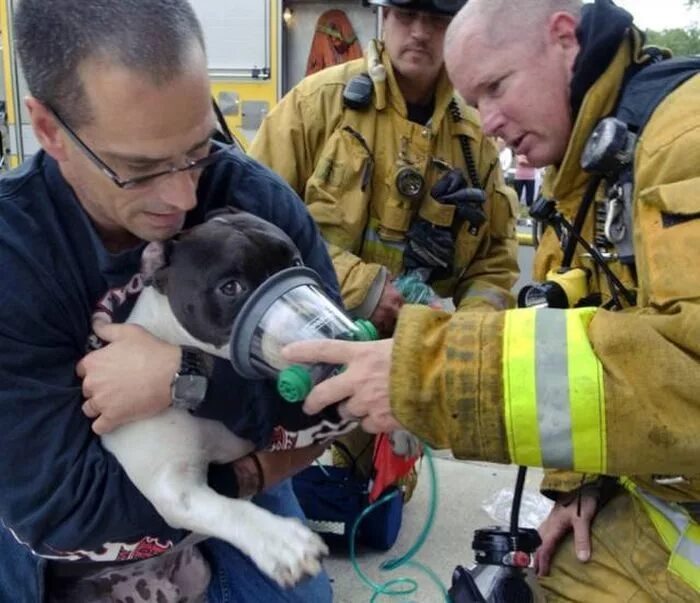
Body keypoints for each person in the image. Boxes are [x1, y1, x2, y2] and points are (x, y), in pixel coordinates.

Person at [282, 0, 700, 600]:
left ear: (562, 38)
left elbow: (681, 365)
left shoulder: (681, 142)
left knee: (380, 524)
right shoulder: (583, 170)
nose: (492, 124)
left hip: (670, 514)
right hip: (318, 376)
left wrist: (431, 371)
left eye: (498, 87)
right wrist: (581, 483)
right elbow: (259, 227)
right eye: (478, 100)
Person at [0, 1, 338, 601]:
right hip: (69, 545)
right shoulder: (16, 257)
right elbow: (59, 510)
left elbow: (335, 393)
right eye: (140, 168)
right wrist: (245, 473)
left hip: (228, 479)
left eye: (198, 148)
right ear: (50, 129)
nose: (183, 197)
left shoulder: (253, 204)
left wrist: (190, 378)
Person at [250, 0, 519, 494]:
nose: (419, 32)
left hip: (396, 369)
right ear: (385, 18)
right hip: (298, 348)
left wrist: (452, 343)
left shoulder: (475, 139)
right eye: (406, 14)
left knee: (374, 502)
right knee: (272, 485)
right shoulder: (319, 104)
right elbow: (251, 224)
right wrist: (367, 286)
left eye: (436, 19)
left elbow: (496, 267)